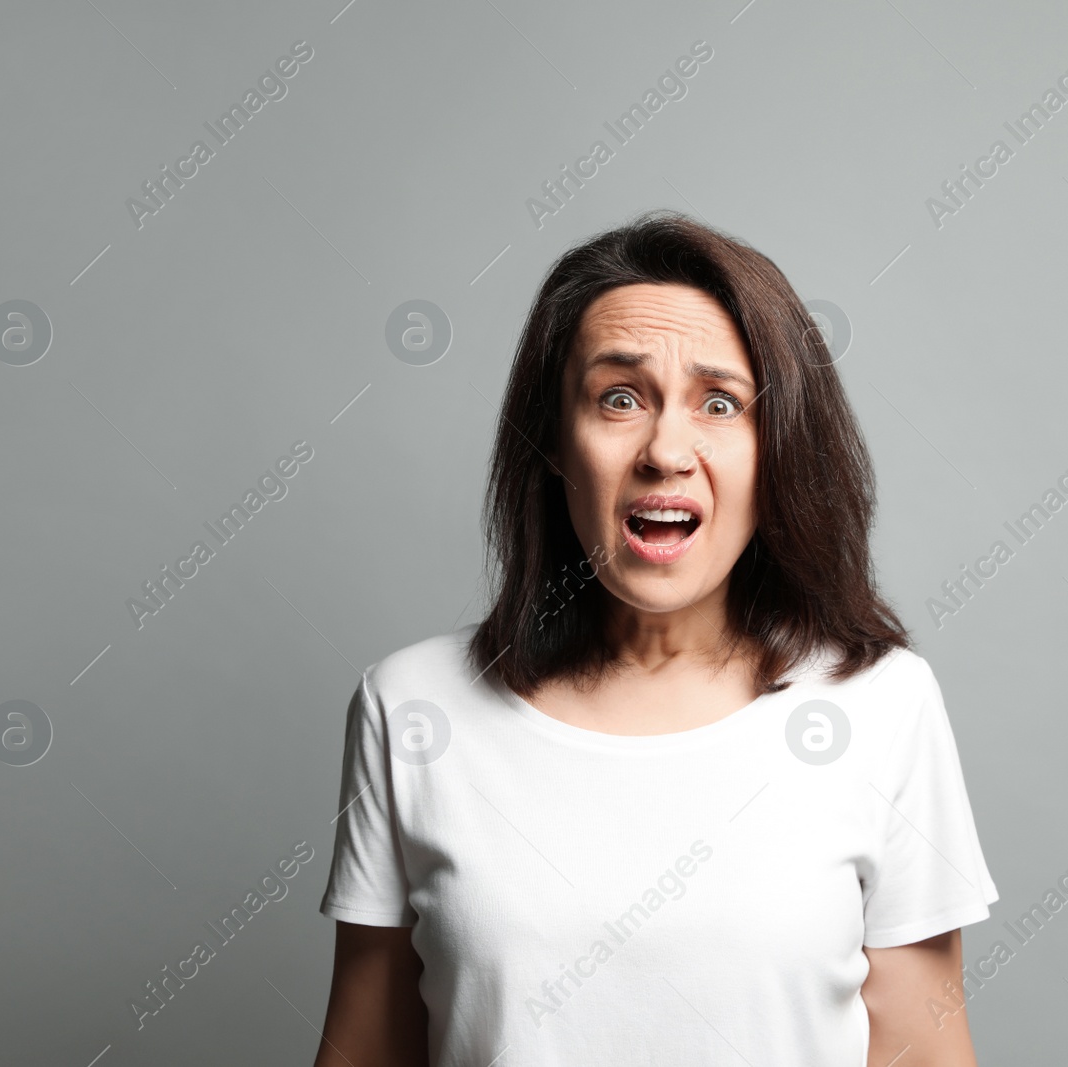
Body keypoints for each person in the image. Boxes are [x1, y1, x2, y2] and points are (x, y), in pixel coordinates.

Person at [312, 210, 999, 1066]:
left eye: (720, 402)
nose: (667, 450)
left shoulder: (884, 705)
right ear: (556, 443)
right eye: (620, 397)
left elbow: (923, 1048)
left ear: (776, 447)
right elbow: (364, 1051)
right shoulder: (412, 708)